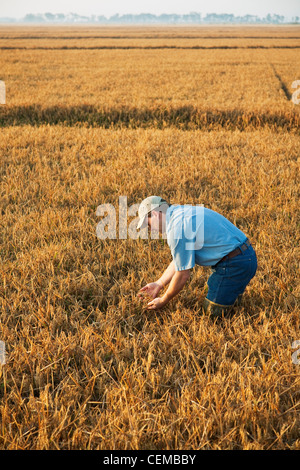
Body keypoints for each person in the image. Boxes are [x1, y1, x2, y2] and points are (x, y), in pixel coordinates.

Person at [137, 196, 257, 317]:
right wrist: (159, 283)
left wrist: (164, 300)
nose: (150, 229)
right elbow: (180, 260)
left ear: (155, 214)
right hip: (247, 256)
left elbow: (183, 274)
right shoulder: (181, 212)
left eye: (148, 224)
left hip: (234, 264)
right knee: (232, 306)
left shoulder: (177, 228)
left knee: (212, 313)